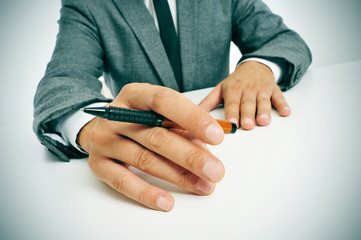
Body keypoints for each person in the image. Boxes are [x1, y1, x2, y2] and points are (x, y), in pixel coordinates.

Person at [33, 0, 312, 211]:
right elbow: (61, 82)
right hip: (144, 170)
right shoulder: (89, 5)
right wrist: (89, 128)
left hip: (243, 151)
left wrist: (258, 66)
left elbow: (285, 40)